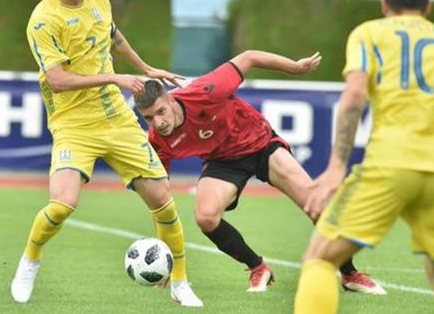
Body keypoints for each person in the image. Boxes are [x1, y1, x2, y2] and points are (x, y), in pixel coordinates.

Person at [10, 0, 203, 307]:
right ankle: (30, 260)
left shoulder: (99, 0)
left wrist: (145, 68)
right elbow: (57, 80)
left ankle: (180, 282)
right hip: (73, 124)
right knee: (62, 204)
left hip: (116, 119)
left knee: (163, 200)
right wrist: (115, 77)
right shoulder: (43, 20)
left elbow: (113, 37)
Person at [133, 50, 384, 294]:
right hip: (222, 161)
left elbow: (249, 57)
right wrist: (166, 255)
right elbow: (160, 200)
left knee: (316, 204)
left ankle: (349, 274)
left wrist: (295, 68)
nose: (158, 122)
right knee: (206, 217)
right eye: (149, 118)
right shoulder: (157, 141)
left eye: (161, 112)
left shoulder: (206, 90)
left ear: (170, 99)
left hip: (261, 145)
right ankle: (258, 267)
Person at [294, 0, 434, 313]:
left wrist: (336, 168)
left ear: (384, 3)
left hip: (390, 165)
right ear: (428, 4)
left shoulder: (369, 33)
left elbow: (355, 95)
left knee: (320, 258)